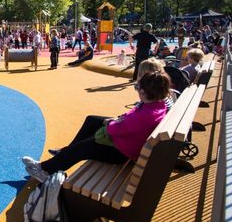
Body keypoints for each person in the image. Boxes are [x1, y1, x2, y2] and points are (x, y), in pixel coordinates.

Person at [22, 72, 170, 182]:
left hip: (122, 152)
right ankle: (65, 153)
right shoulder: (157, 105)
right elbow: (131, 117)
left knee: (86, 146)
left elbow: (114, 129)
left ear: (143, 91)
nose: (137, 90)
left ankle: (45, 170)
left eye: (137, 87)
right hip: (128, 142)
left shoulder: (146, 116)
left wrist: (111, 123)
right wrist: (116, 120)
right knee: (92, 120)